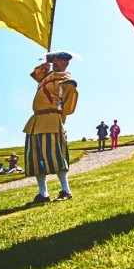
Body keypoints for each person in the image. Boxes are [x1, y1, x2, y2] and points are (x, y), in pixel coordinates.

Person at [23, 51, 79, 203]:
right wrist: (44, 66)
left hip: (51, 121)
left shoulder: (66, 81)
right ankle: (43, 194)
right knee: (36, 159)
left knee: (55, 157)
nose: (55, 62)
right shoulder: (47, 76)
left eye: (58, 60)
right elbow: (36, 75)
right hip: (35, 121)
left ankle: (66, 191)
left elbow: (69, 105)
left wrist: (59, 118)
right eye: (53, 59)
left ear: (66, 63)